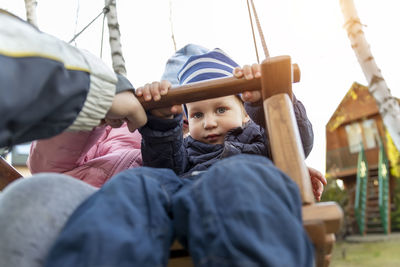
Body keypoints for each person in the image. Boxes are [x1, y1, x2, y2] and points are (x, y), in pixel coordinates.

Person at [43, 48, 316, 267]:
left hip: (235, 195)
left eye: (221, 109)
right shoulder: (187, 149)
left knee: (239, 175)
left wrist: (262, 101)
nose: (208, 122)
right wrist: (162, 122)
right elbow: (164, 166)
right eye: (197, 114)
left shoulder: (260, 140)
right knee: (135, 183)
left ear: (245, 112)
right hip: (182, 197)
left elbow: (298, 142)